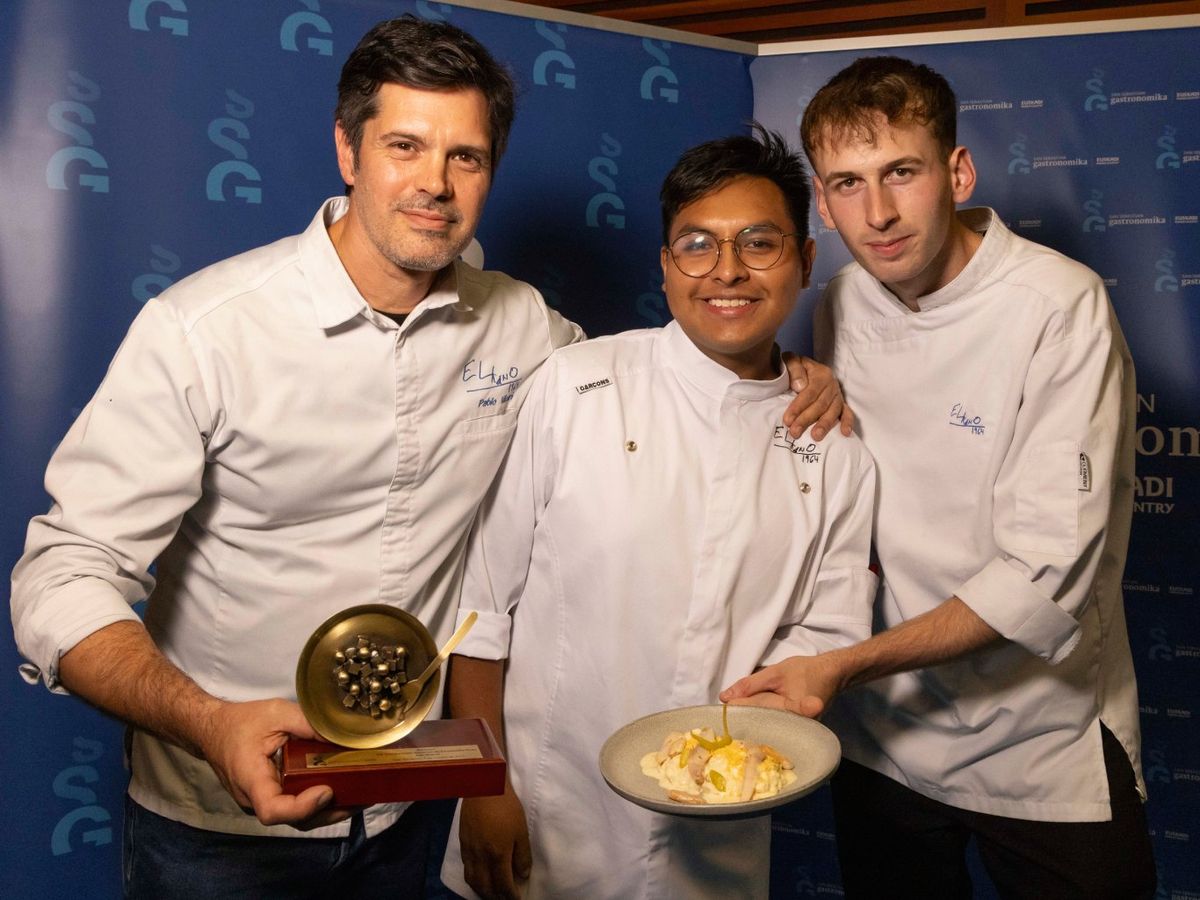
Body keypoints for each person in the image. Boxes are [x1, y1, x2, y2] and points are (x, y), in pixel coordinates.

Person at [9, 16, 847, 899]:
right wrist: (208, 723)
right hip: (224, 824)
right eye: (405, 146)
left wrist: (781, 374)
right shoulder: (204, 331)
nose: (434, 185)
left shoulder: (522, 326)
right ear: (348, 148)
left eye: (466, 157)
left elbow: (665, 378)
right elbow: (61, 575)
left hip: (412, 804)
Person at [721, 56, 1156, 899]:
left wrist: (842, 667)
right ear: (821, 200)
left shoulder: (1059, 306)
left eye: (902, 174)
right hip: (884, 735)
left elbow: (1041, 574)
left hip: (1039, 736)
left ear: (957, 172)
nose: (877, 214)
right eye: (847, 183)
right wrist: (806, 373)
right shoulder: (841, 298)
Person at [438, 127, 879, 900]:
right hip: (542, 811)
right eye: (698, 245)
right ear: (667, 266)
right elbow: (482, 607)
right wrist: (483, 784)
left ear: (807, 262)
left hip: (719, 833)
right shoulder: (575, 386)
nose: (728, 271)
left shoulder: (835, 448)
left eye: (760, 243)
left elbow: (828, 630)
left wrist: (793, 692)